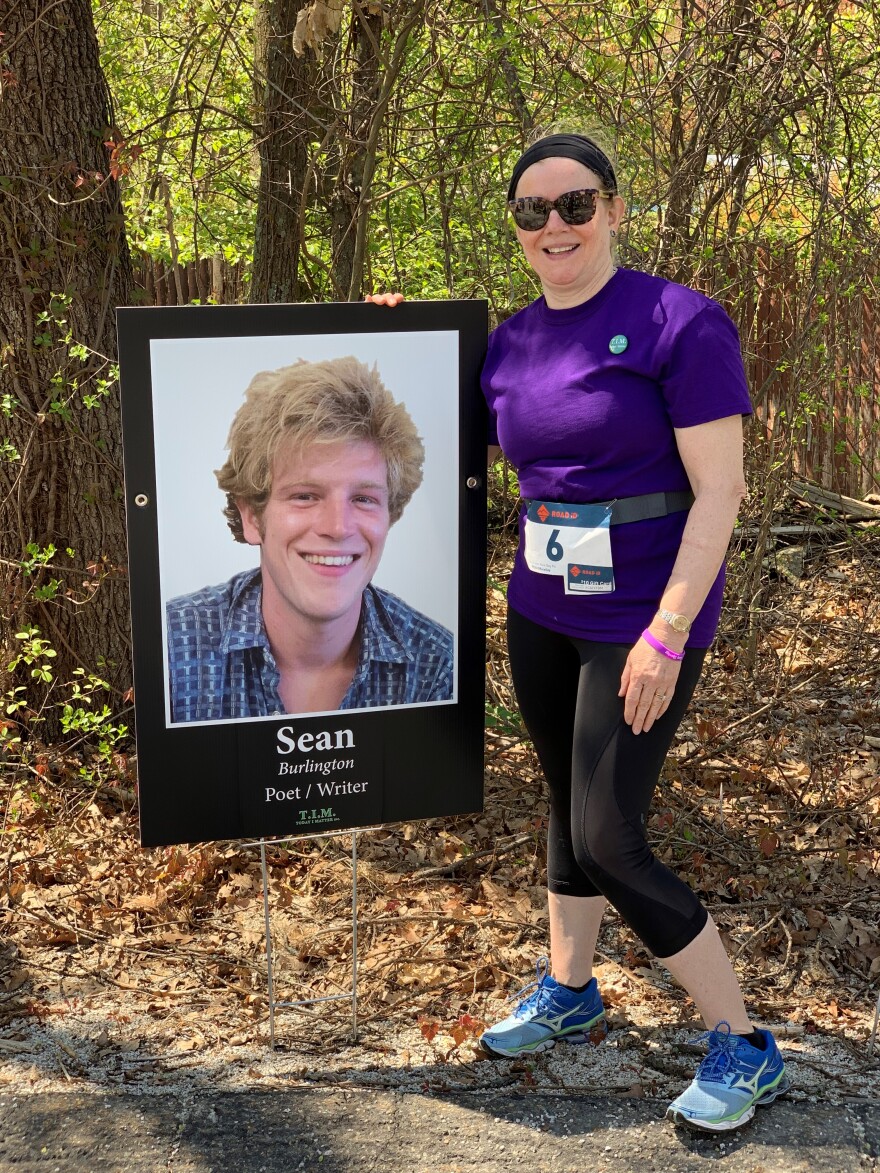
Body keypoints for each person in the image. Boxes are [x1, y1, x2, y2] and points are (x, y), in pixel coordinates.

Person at [370, 129, 788, 1133]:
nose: (554, 226)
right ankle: (571, 991)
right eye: (532, 211)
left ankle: (743, 1042)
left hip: (642, 617)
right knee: (565, 800)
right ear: (515, 227)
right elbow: (423, 426)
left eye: (575, 204)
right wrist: (386, 339)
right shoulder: (511, 344)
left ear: (613, 209)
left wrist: (668, 631)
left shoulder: (677, 323)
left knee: (608, 836)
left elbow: (720, 492)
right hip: (541, 610)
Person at [166, 356, 454, 722]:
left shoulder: (438, 663)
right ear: (251, 516)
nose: (338, 527)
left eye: (364, 499)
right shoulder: (173, 646)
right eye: (305, 495)